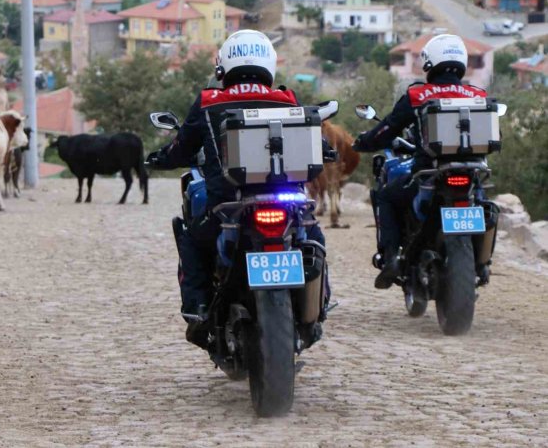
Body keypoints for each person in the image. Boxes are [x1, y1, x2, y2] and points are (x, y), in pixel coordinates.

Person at [147, 30, 329, 343]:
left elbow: (182, 148)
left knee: (190, 237)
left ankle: (198, 307)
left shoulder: (209, 101)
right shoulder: (286, 98)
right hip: (285, 203)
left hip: (227, 207)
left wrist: (161, 158)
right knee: (314, 238)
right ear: (269, 65)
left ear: (223, 68)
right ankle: (319, 305)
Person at [352, 34, 488, 289]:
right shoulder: (477, 95)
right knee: (487, 207)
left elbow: (387, 130)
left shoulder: (417, 95)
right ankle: (482, 263)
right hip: (471, 176)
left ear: (430, 63)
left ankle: (391, 257)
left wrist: (364, 142)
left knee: (386, 197)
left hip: (429, 175)